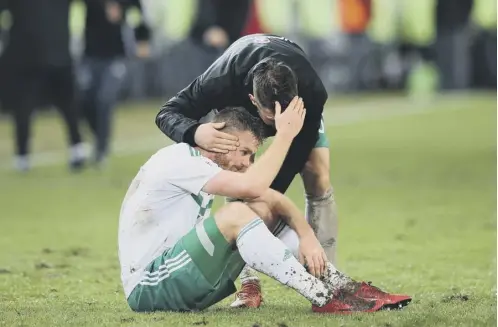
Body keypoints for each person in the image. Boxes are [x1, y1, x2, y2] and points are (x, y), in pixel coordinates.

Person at [120, 103, 412, 313]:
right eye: (245, 152)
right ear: (220, 138)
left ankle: (342, 287)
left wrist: (307, 235)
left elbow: (270, 199)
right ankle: (324, 297)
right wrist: (284, 135)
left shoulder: (201, 165)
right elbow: (253, 187)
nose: (248, 163)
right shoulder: (178, 159)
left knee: (258, 207)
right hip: (150, 284)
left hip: (181, 276)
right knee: (237, 212)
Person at [155, 33, 342, 306]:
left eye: (285, 114)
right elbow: (167, 113)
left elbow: (285, 169)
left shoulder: (312, 92)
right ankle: (249, 283)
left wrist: (271, 204)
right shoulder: (220, 81)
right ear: (254, 100)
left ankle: (326, 278)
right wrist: (196, 132)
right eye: (272, 117)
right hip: (238, 108)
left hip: (299, 118)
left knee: (317, 174)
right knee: (238, 174)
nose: (279, 124)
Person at [0, 0, 86, 172]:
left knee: (61, 107)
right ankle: (75, 150)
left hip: (36, 57)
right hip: (45, 57)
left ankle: (24, 157)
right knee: (32, 108)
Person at [78, 0, 151, 167]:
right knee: (84, 100)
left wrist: (143, 40)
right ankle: (99, 135)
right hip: (90, 56)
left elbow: (140, 15)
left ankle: (101, 150)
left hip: (116, 56)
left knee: (105, 99)